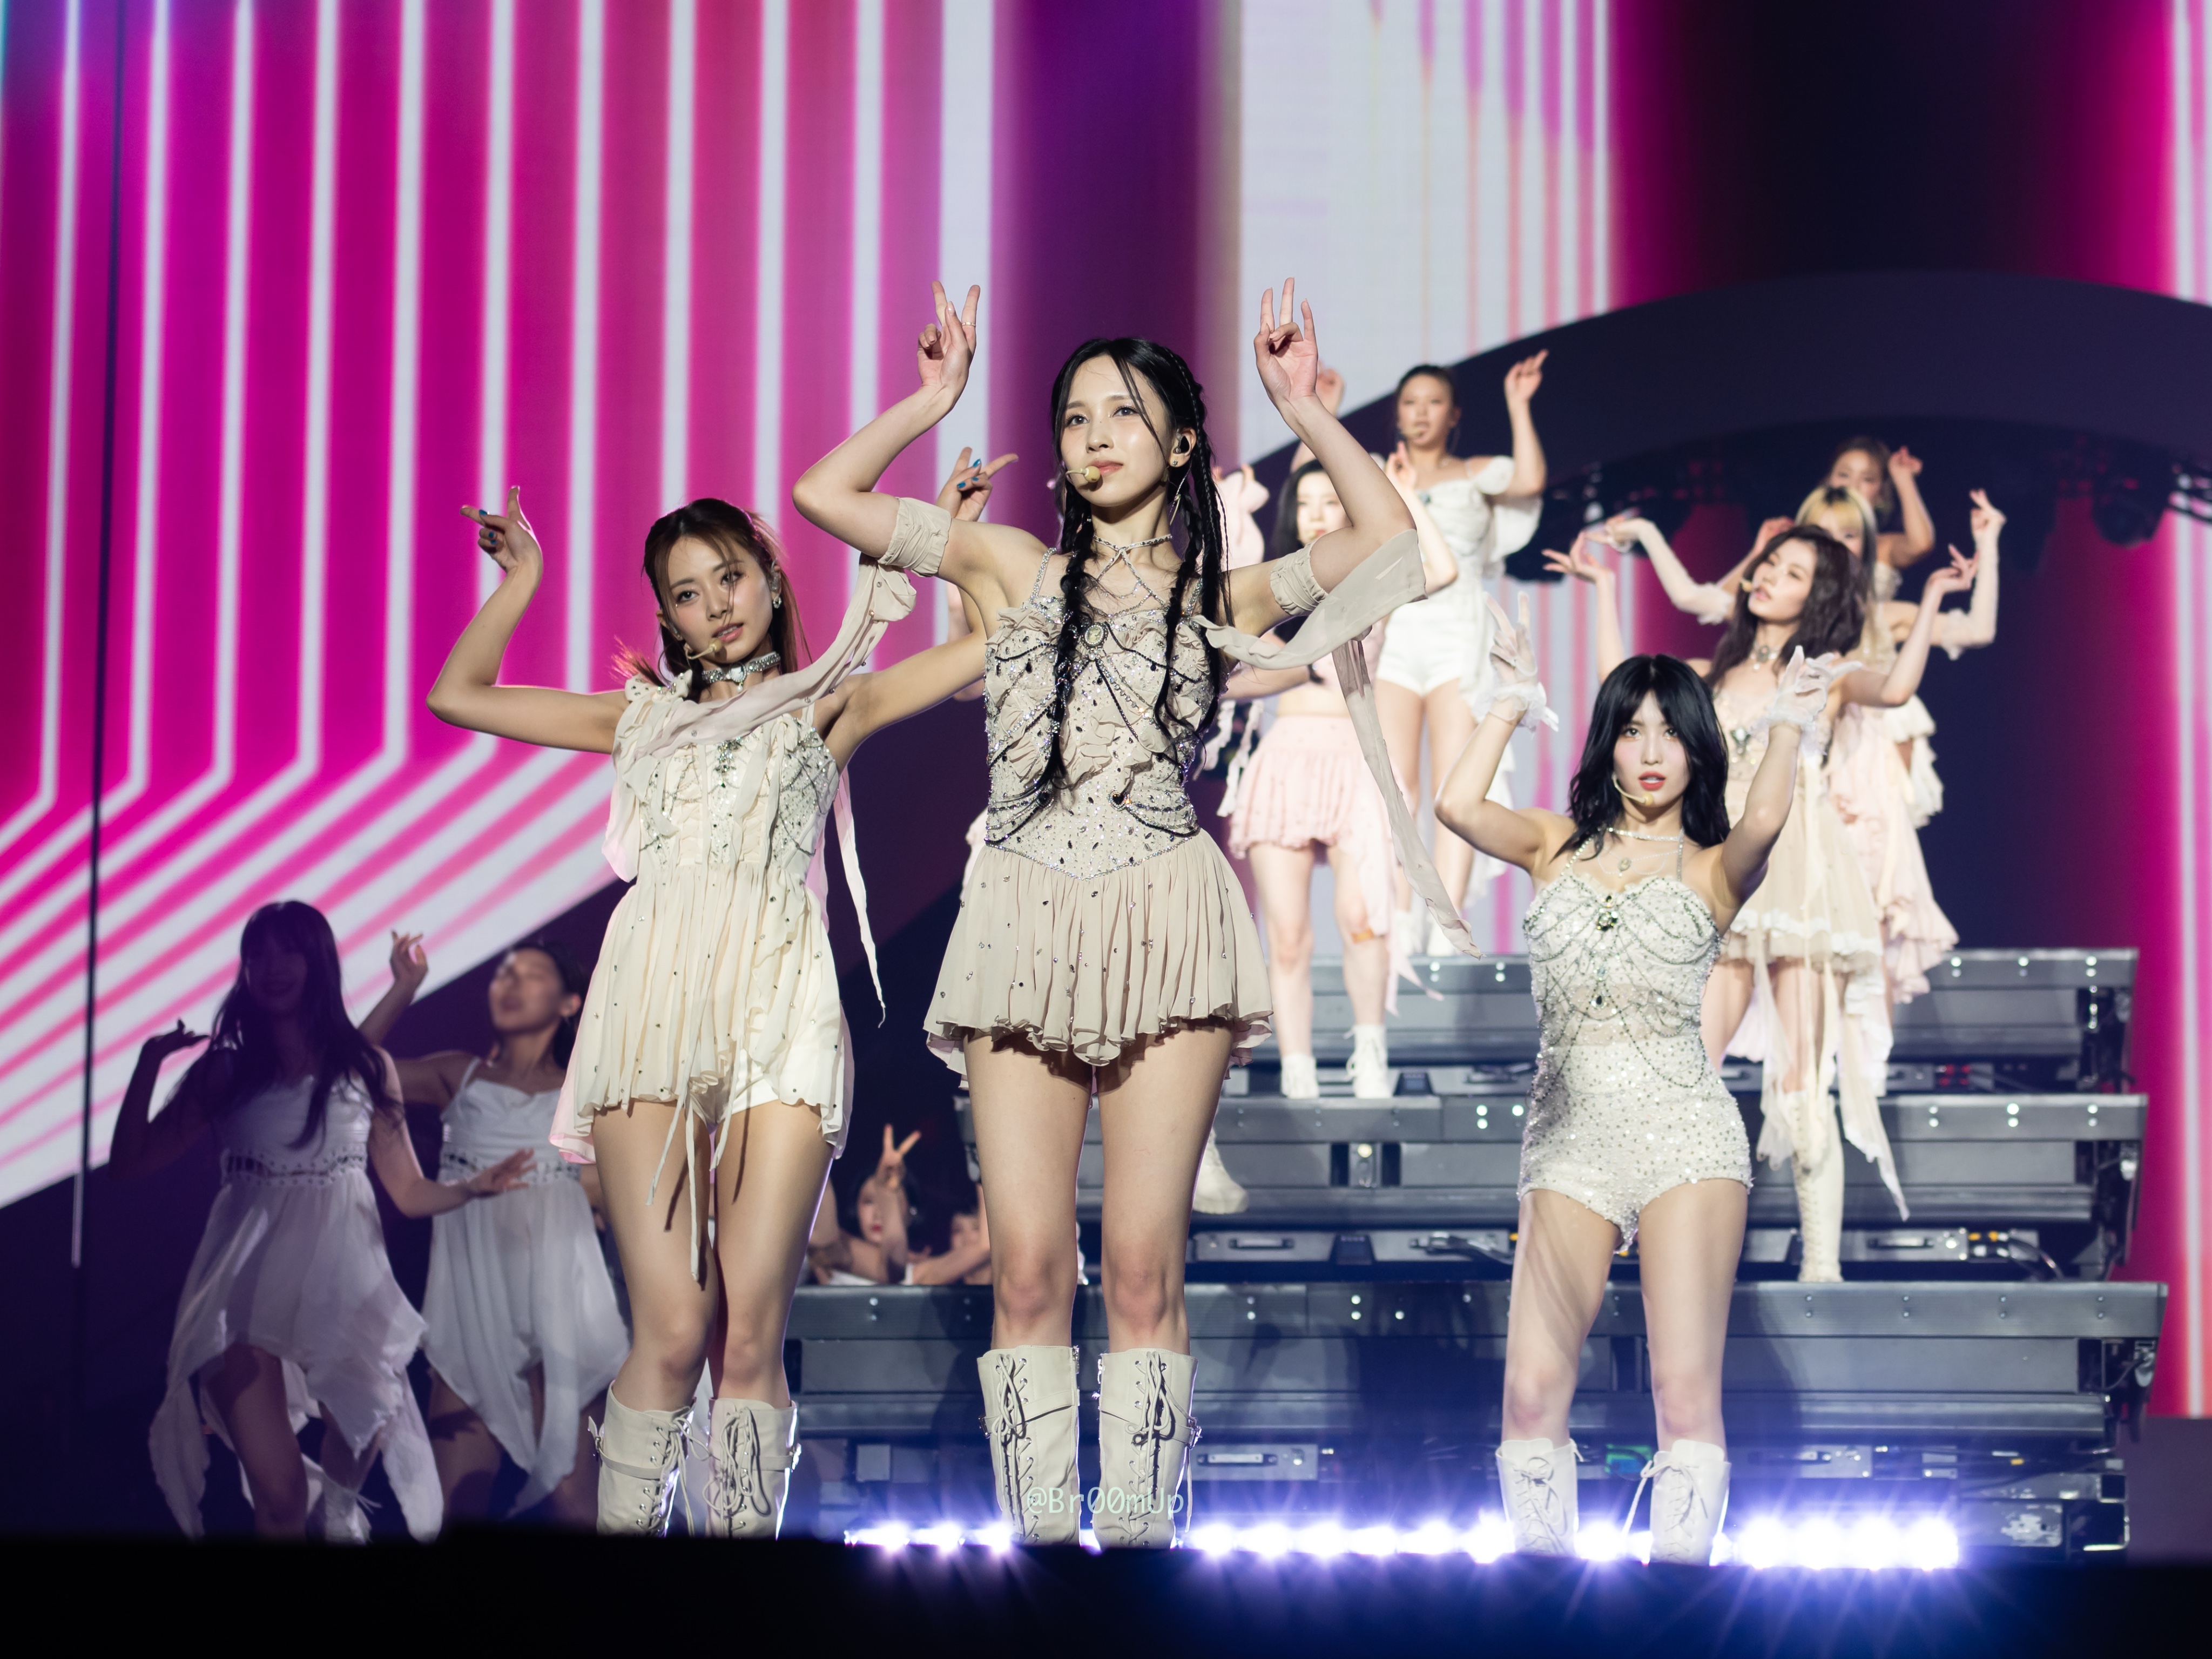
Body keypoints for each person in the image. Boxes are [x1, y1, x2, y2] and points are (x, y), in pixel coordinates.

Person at [786, 277, 1426, 1547]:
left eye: (1125, 412)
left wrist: (1304, 408)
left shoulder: (1221, 594)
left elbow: (1391, 543)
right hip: (1021, 916)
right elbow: (822, 496)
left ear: (1183, 443)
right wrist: (929, 400)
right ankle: (1039, 1551)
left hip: (1165, 917)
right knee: (1028, 1268)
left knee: (1140, 1269)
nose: (1094, 434)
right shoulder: (1006, 562)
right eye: (1075, 416)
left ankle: (1133, 1546)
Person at [423, 481, 987, 1537]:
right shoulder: (638, 718)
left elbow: (993, 645)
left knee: (749, 1337)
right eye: (688, 593)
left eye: (731, 576)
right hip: (651, 1010)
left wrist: (947, 541)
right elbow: (459, 694)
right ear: (667, 617)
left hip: (783, 1006)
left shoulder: (834, 701)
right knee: (675, 1331)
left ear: (770, 577)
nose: (717, 604)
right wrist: (522, 580)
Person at [1436, 606, 1844, 1564]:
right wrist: (1511, 700)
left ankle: (1680, 1599)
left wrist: (1789, 721)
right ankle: (1541, 1601)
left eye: (1670, 731)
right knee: (1530, 1394)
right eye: (1631, 730)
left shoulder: (1713, 869)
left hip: (1684, 1140)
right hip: (1567, 1140)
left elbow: (1766, 819)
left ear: (1699, 748)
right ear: (1607, 746)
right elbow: (1456, 806)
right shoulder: (1555, 844)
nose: (1652, 752)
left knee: (1682, 1394)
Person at [1560, 524, 1976, 1280]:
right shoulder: (1712, 675)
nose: (1767, 577)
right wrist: (1604, 589)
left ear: (1816, 596)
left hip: (1801, 876)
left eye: (1790, 572)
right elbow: (1622, 684)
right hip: (1721, 870)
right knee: (1683, 1063)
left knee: (1802, 1080)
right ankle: (1658, 1241)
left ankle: (1821, 1266)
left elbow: (1895, 690)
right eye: (1769, 564)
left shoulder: (1826, 672)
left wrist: (1936, 598)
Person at [114, 901, 530, 1541]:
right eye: (258, 954)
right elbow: (129, 1164)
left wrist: (473, 1187)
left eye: (289, 951)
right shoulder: (226, 1071)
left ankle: (337, 1514)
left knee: (358, 1435)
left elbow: (409, 1192)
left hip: (345, 1288)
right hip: (240, 1299)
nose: (272, 967)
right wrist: (148, 1064)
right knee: (279, 1499)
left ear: (318, 962)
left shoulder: (367, 1069)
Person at [356, 932, 626, 1527]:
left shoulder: (592, 1096)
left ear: (570, 1004)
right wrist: (403, 988)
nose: (512, 984)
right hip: (472, 1313)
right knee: (456, 1512)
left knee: (577, 1509)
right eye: (506, 974)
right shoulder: (459, 1076)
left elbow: (624, 1193)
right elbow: (349, 1067)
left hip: (562, 1316)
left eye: (533, 976)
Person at [1225, 450, 1459, 1098]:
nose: (1316, 514)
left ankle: (1370, 1055)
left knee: (1363, 918)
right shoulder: (1269, 588)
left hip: (1356, 760)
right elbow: (1221, 648)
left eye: (1330, 501)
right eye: (1305, 504)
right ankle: (1296, 1067)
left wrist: (1403, 496)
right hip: (1287, 759)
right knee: (1288, 937)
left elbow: (1442, 570)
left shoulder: (1372, 579)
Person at [1372, 354, 1548, 953]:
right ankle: (1398, 926)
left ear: (1453, 415)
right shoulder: (1380, 474)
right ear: (1397, 415)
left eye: (1434, 402)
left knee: (1453, 786)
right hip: (1395, 627)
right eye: (1410, 403)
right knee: (1395, 786)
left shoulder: (1476, 472)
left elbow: (1529, 481)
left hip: (1459, 634)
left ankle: (1446, 932)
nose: (1420, 413)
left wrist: (1518, 403)